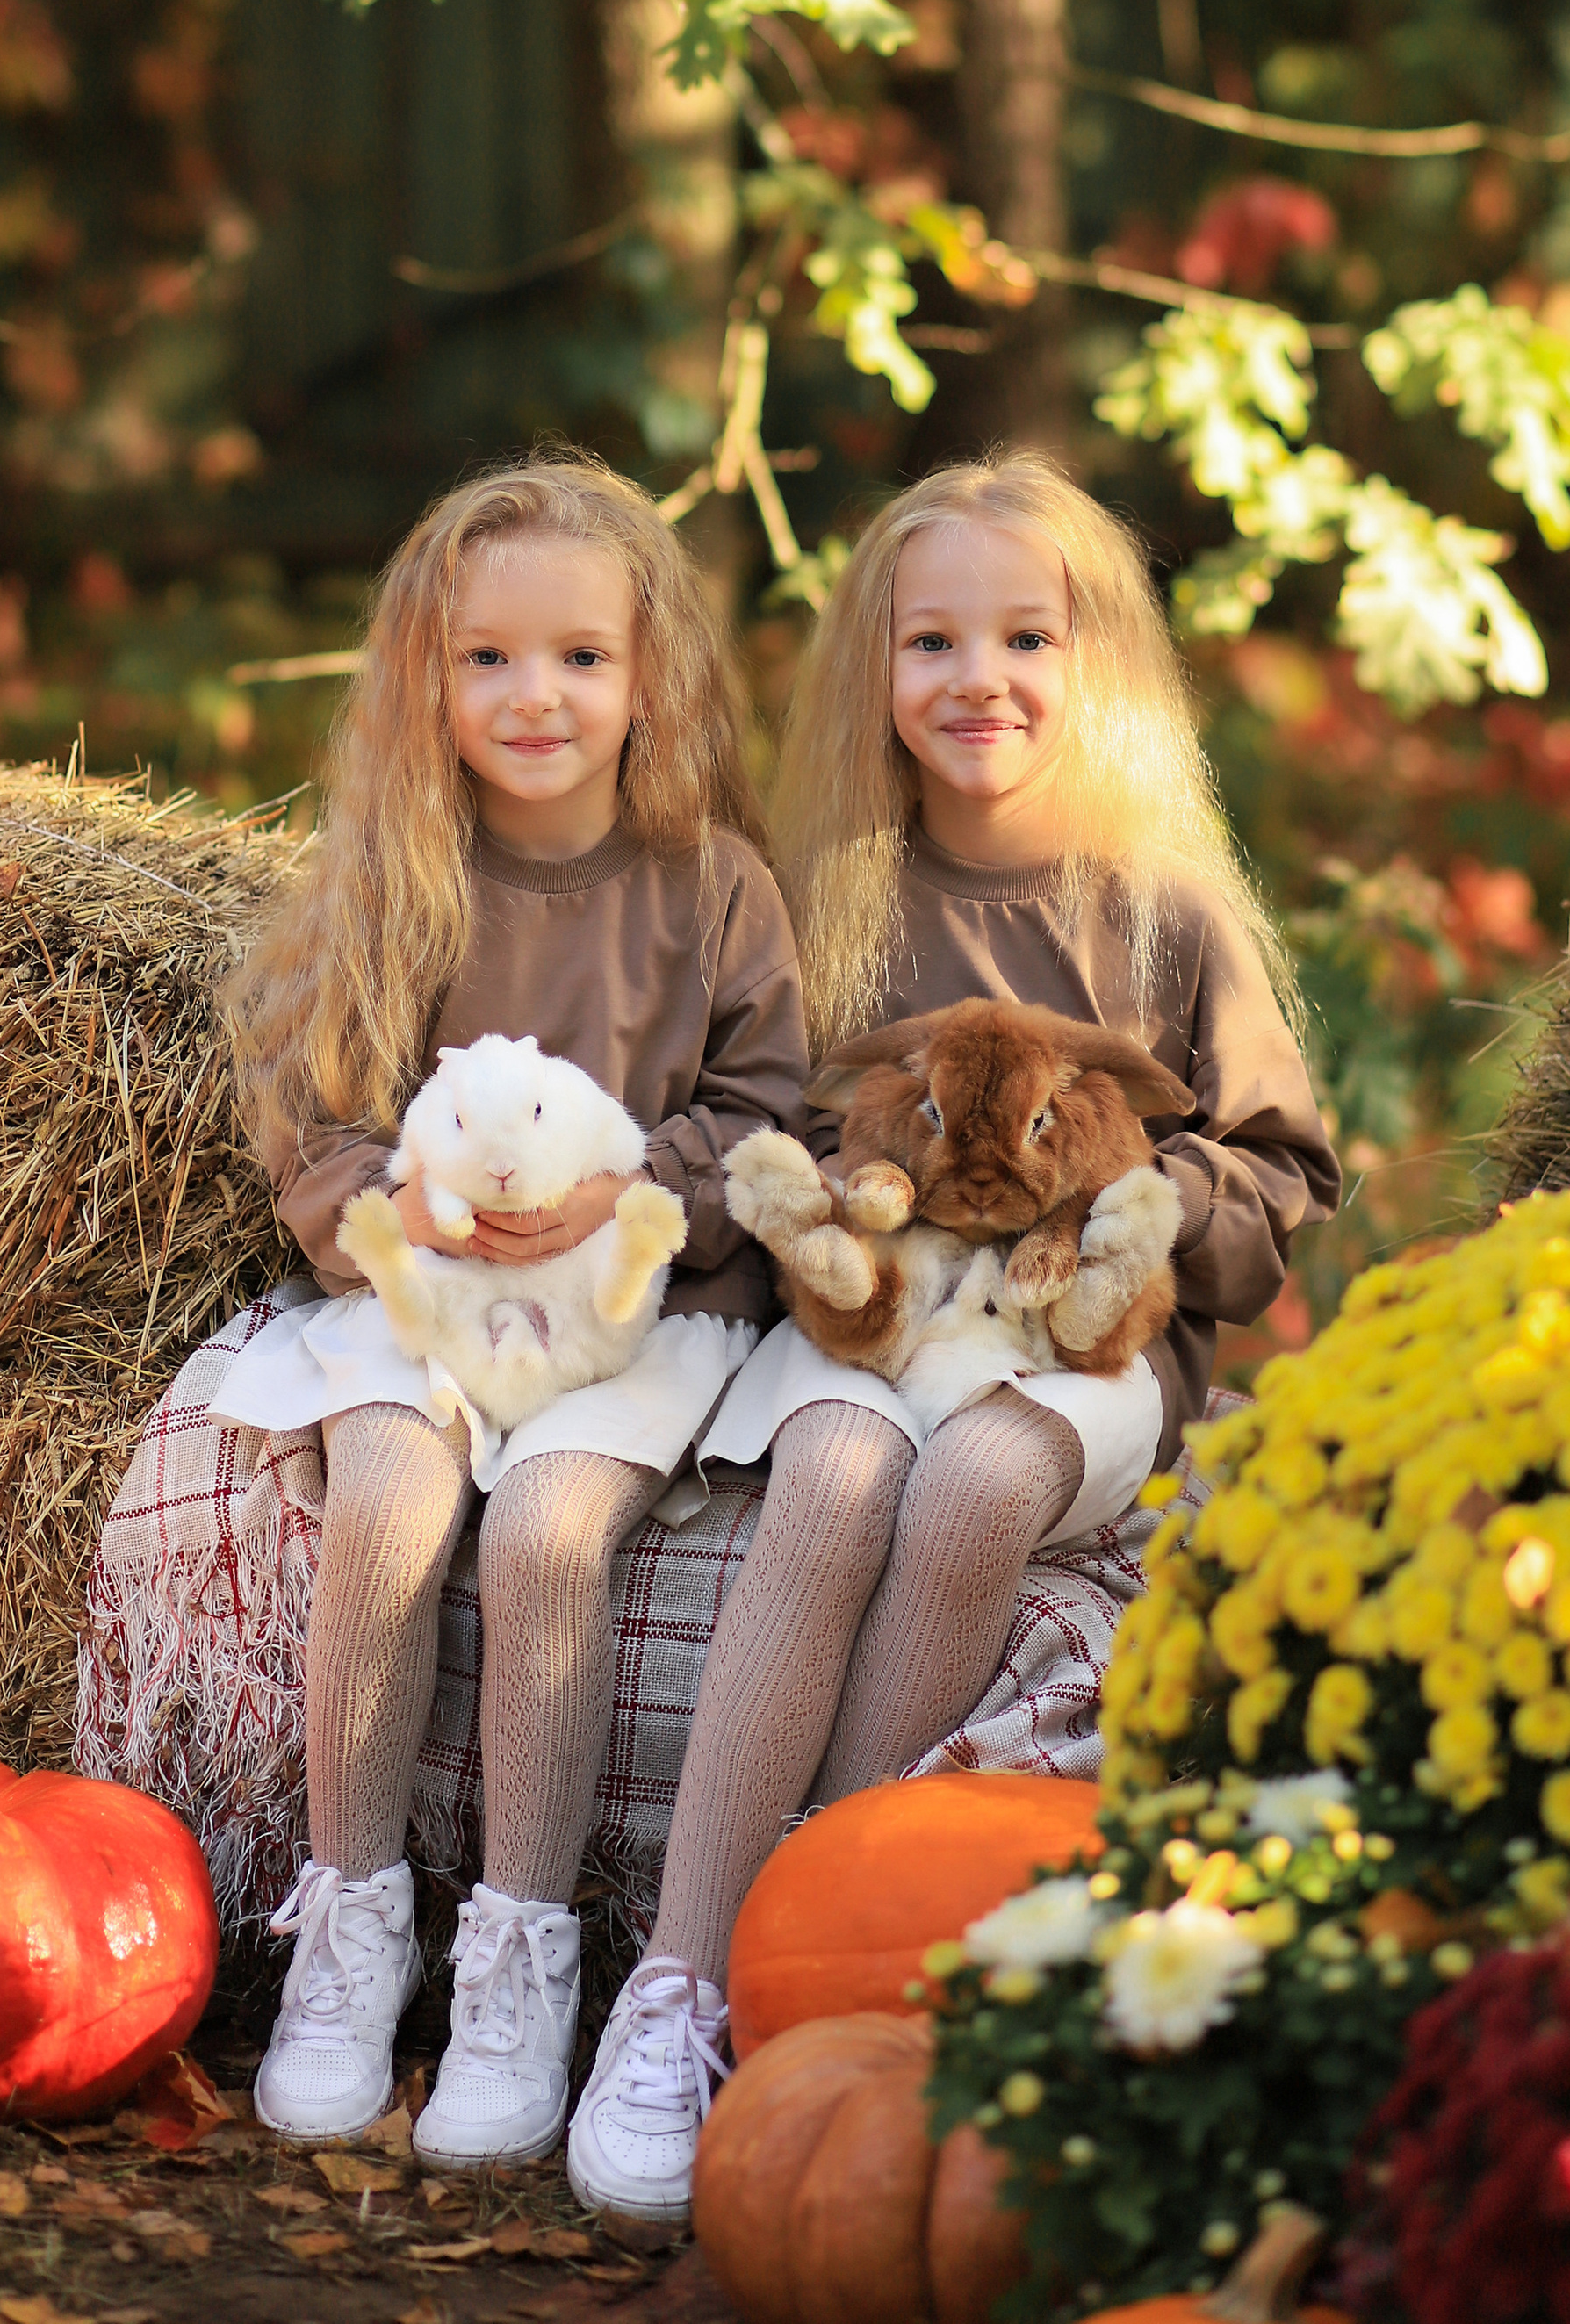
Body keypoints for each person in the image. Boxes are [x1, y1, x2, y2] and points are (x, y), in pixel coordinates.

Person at [563, 450, 1339, 2218]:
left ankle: (801, 1962)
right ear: (874, 669)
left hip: (1078, 1346)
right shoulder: (833, 895)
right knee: (833, 1479)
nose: (972, 678)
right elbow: (757, 1120)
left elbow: (1275, 1176)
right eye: (928, 640)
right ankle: (681, 1975)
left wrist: (1143, 1211)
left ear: (1101, 666)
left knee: (975, 1487)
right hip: (877, 1324)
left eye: (1021, 635)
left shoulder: (1163, 913)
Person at [212, 454, 806, 2170]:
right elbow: (308, 1117)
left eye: (579, 659)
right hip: (432, 1305)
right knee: (390, 1499)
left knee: (548, 1535)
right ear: (426, 676)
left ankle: (523, 1955)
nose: (533, 698)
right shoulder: (401, 873)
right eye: (486, 661)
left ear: (650, 676)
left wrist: (635, 1194)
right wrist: (377, 1208)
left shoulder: (711, 892)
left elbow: (766, 1111)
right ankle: (351, 1919)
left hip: (632, 1312)